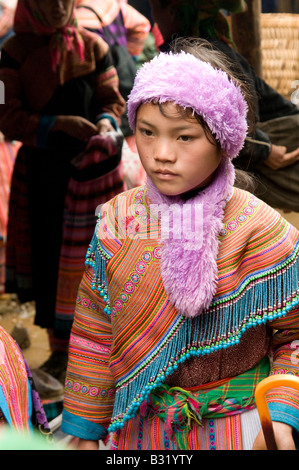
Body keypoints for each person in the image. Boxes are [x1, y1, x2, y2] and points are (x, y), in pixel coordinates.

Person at [61, 39, 299, 450]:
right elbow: (94, 332)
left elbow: (293, 336)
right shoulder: (118, 224)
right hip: (142, 432)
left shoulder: (263, 231)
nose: (161, 154)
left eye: (185, 137)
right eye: (148, 133)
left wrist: (279, 416)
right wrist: (84, 430)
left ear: (224, 141)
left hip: (241, 431)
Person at [0, 0, 125, 385]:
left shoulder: (96, 47)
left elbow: (112, 100)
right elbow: (3, 112)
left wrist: (105, 121)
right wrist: (57, 124)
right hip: (42, 174)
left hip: (92, 173)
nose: (56, 8)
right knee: (50, 256)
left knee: (98, 258)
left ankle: (100, 346)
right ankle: (59, 352)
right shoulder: (10, 51)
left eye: (63, 0)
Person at [149, 0, 299, 212]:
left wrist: (265, 149)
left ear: (172, 11)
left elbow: (236, 123)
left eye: (155, 6)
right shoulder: (210, 50)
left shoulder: (206, 56)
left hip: (254, 156)